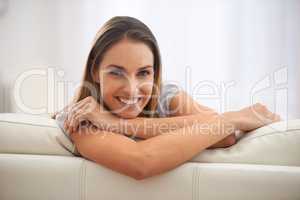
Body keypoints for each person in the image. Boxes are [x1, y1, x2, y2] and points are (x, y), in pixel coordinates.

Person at [52, 16, 280, 180]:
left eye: (143, 73)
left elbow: (224, 136)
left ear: (155, 73)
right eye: (116, 72)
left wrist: (118, 124)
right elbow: (141, 162)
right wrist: (232, 118)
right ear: (95, 72)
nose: (132, 90)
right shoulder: (79, 118)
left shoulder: (165, 96)